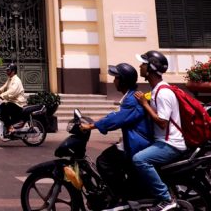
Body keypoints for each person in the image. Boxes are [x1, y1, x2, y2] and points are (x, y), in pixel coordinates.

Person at [79, 62, 152, 195]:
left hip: (136, 144)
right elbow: (116, 114)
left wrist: (91, 126)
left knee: (103, 162)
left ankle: (119, 195)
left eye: (116, 78)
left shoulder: (131, 99)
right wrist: (96, 121)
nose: (113, 80)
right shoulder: (130, 96)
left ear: (123, 81)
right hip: (134, 140)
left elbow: (117, 119)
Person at [131, 50, 186, 211]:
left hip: (170, 144)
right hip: (162, 141)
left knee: (139, 159)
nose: (140, 66)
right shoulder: (156, 90)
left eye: (143, 64)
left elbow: (162, 122)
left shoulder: (163, 93)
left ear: (150, 69)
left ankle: (166, 199)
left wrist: (144, 104)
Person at [0, 63, 26, 135]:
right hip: (12, 102)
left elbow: (12, 91)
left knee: (4, 108)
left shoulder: (16, 80)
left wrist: (1, 96)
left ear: (13, 71)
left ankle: (10, 127)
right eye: (7, 70)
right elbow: (3, 88)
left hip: (18, 104)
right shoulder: (10, 79)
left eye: (8, 70)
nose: (6, 72)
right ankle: (6, 125)